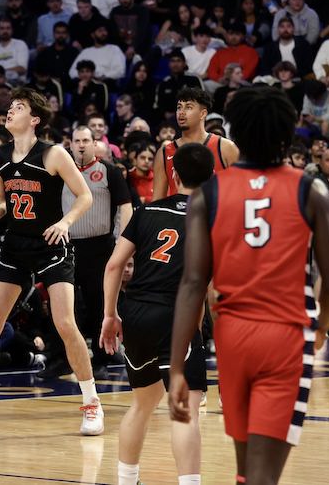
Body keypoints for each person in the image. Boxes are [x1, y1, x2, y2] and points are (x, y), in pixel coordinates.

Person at [167, 86, 329, 485]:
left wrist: (178, 367)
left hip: (231, 335)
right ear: (286, 132)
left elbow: (193, 284)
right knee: (264, 477)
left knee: (246, 471)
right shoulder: (309, 189)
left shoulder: (207, 193)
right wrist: (320, 329)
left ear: (236, 134)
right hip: (284, 335)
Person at [0, 88, 103, 436]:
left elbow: (84, 196)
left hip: (51, 243)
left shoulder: (53, 154)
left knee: (65, 323)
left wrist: (65, 223)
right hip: (16, 245)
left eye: (18, 107)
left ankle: (92, 403)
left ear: (34, 119)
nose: (10, 111)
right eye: (10, 107)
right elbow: (5, 201)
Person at [101, 143, 214, 485]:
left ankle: (126, 479)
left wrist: (110, 315)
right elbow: (209, 284)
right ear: (211, 178)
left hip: (135, 314)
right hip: (176, 317)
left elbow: (114, 266)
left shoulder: (147, 211)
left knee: (143, 403)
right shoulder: (212, 219)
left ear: (174, 174)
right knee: (185, 412)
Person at [67, 125, 132, 376]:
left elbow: (125, 207)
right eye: (77, 141)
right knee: (67, 305)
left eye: (86, 140)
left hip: (100, 246)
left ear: (95, 144)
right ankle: (64, 356)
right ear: (70, 144)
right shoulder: (61, 171)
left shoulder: (109, 171)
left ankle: (102, 358)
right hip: (69, 246)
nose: (81, 145)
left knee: (98, 304)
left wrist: (122, 244)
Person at [153, 88, 239, 199]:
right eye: (179, 107)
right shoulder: (164, 153)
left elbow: (240, 192)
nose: (181, 112)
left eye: (188, 107)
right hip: (178, 215)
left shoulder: (226, 147)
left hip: (215, 214)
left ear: (203, 113)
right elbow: (157, 201)